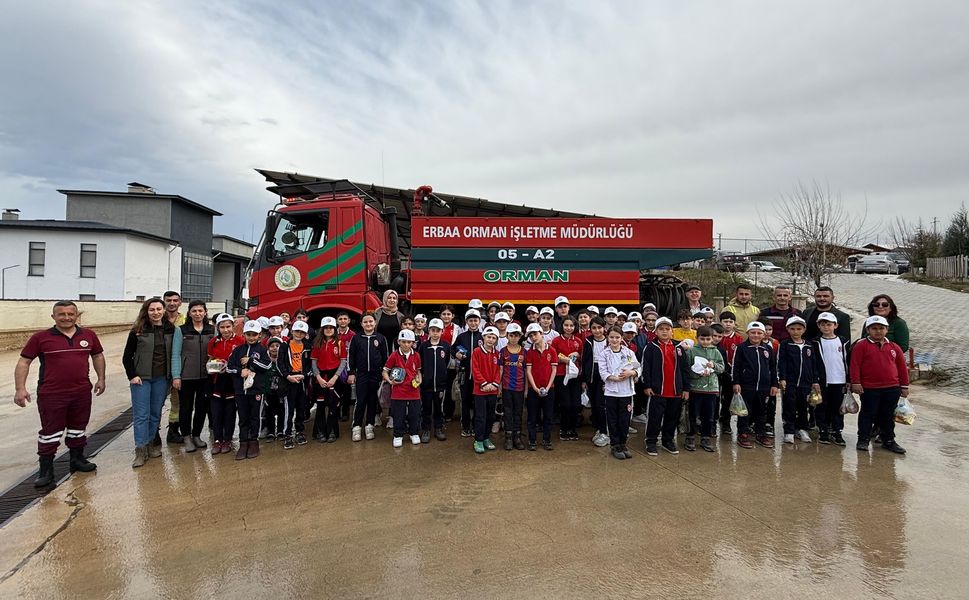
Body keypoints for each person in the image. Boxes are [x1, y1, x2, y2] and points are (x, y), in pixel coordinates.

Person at [15, 301, 105, 486]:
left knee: (78, 428)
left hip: (81, 392)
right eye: (61, 314)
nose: (66, 317)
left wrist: (101, 378)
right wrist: (20, 389)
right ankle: (46, 471)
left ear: (76, 315)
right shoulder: (41, 337)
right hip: (52, 393)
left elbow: (97, 356)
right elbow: (24, 362)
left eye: (70, 314)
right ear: (53, 317)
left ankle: (77, 459)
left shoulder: (88, 335)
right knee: (50, 432)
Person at [123, 298, 175, 468]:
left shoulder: (170, 329)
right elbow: (127, 356)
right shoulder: (138, 330)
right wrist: (132, 375)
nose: (156, 312)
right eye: (152, 309)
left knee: (155, 413)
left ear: (164, 310)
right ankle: (140, 449)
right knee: (141, 415)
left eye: (159, 309)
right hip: (141, 379)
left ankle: (151, 443)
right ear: (146, 311)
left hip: (161, 378)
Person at [850, 315, 909, 454]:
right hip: (870, 388)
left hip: (891, 388)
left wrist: (904, 386)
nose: (878, 331)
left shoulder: (894, 347)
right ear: (868, 330)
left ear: (887, 329)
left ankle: (888, 440)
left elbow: (902, 367)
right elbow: (855, 365)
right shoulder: (861, 346)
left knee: (887, 415)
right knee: (867, 414)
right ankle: (863, 439)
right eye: (874, 328)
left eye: (881, 328)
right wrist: (856, 382)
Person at [640, 317, 690, 456]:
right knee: (654, 418)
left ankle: (667, 440)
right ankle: (651, 441)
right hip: (657, 391)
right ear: (655, 331)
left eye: (667, 329)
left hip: (675, 391)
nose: (664, 331)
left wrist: (686, 388)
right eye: (661, 329)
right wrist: (647, 385)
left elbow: (685, 369)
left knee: (672, 417)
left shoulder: (679, 347)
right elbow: (646, 368)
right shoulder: (650, 347)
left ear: (672, 331)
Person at [171, 300, 214, 453]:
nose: (197, 314)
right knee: (186, 408)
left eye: (200, 311)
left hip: (205, 376)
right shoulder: (181, 331)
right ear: (189, 313)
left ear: (205, 312)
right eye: (194, 311)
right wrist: (176, 376)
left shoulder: (211, 330)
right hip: (186, 376)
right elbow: (175, 354)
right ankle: (187, 437)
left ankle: (196, 435)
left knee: (202, 407)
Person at [226, 320, 272, 460]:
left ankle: (254, 442)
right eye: (248, 334)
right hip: (241, 391)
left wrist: (251, 361)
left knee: (255, 416)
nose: (251, 337)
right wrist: (240, 371)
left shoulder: (263, 350)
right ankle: (243, 442)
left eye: (254, 334)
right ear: (244, 334)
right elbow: (229, 367)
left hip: (256, 390)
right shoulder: (238, 350)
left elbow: (267, 366)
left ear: (259, 335)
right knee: (243, 417)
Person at [731, 322, 779, 449]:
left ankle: (761, 433)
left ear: (764, 334)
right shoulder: (741, 348)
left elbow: (773, 368)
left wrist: (774, 384)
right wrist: (736, 382)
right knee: (744, 411)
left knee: (762, 411)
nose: (756, 335)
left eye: (759, 333)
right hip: (746, 386)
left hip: (764, 387)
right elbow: (736, 367)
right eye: (753, 332)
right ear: (748, 333)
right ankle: (743, 433)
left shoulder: (767, 349)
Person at [598, 326, 641, 460]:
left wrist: (631, 373)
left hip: (626, 392)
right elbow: (603, 371)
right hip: (611, 392)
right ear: (608, 338)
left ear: (621, 338)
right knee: (613, 419)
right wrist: (613, 378)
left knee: (624, 420)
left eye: (617, 337)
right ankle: (615, 444)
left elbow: (638, 367)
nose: (614, 340)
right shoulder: (604, 354)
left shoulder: (628, 353)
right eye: (612, 337)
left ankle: (623, 443)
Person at [777, 316, 820, 444]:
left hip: (806, 382)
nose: (796, 332)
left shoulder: (809, 345)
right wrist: (782, 378)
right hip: (790, 382)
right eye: (793, 329)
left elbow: (813, 364)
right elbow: (782, 362)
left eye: (799, 329)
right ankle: (789, 430)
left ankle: (802, 429)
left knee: (804, 406)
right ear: (788, 329)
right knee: (789, 406)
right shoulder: (785, 344)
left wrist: (815, 380)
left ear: (804, 329)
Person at [347, 313, 389, 442]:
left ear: (375, 323)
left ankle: (369, 426)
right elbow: (351, 356)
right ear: (361, 324)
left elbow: (385, 357)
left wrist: (384, 372)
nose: (368, 324)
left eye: (371, 321)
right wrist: (351, 373)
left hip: (376, 374)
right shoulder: (356, 338)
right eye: (365, 322)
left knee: (372, 400)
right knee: (360, 400)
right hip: (362, 374)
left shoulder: (381, 338)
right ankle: (357, 426)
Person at [812, 312, 850, 446]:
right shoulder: (815, 342)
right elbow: (813, 363)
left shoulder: (843, 341)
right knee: (822, 406)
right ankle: (823, 430)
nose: (826, 327)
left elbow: (848, 361)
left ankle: (837, 430)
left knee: (838, 407)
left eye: (829, 324)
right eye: (823, 324)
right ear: (818, 325)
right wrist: (815, 380)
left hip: (839, 380)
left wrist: (849, 379)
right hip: (823, 381)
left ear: (835, 325)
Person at [685, 325, 725, 453]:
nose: (705, 342)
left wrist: (714, 365)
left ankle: (705, 437)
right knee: (693, 414)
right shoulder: (691, 351)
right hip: (695, 388)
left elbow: (722, 367)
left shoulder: (715, 351)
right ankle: (690, 436)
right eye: (702, 339)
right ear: (697, 338)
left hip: (711, 389)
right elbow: (686, 368)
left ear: (712, 339)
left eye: (708, 339)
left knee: (709, 415)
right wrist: (697, 373)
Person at [207, 314, 242, 455]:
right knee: (216, 412)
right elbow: (210, 361)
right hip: (217, 381)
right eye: (222, 327)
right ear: (217, 327)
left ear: (233, 326)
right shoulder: (213, 342)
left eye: (228, 326)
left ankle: (227, 439)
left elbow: (243, 361)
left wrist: (230, 365)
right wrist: (214, 366)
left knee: (230, 412)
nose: (225, 330)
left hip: (233, 382)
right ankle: (217, 440)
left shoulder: (240, 341)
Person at [384, 329, 423, 448]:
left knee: (414, 414)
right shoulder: (394, 355)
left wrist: (419, 379)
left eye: (409, 342)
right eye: (404, 342)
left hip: (413, 390)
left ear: (413, 343)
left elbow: (418, 371)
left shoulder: (416, 355)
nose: (406, 344)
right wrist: (390, 381)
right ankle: (398, 435)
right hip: (398, 391)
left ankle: (414, 433)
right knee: (398, 414)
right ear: (399, 342)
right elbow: (385, 371)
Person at [311, 317, 344, 443]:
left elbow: (343, 361)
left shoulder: (339, 343)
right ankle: (320, 431)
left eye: (331, 328)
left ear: (334, 329)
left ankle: (332, 431)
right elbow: (314, 361)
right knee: (320, 406)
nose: (329, 330)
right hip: (320, 377)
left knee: (333, 406)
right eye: (326, 327)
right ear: (322, 329)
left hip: (334, 377)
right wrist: (318, 377)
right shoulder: (317, 343)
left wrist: (335, 377)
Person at [525, 323, 557, 451]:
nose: (533, 337)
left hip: (550, 388)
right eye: (531, 335)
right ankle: (532, 440)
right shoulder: (530, 352)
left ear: (541, 334)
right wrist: (535, 387)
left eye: (535, 334)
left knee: (548, 416)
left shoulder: (552, 350)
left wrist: (548, 387)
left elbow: (554, 370)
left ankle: (546, 440)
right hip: (534, 389)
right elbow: (528, 371)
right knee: (532, 416)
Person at [418, 318, 450, 442]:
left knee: (438, 408)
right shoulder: (424, 346)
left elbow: (446, 361)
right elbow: (420, 362)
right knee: (426, 408)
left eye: (438, 330)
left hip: (440, 385)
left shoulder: (446, 346)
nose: (435, 333)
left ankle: (438, 428)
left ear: (442, 331)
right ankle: (426, 429)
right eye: (433, 330)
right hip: (426, 384)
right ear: (429, 331)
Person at [281, 320, 313, 449]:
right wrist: (287, 376)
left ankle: (300, 431)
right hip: (289, 379)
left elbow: (310, 364)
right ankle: (287, 434)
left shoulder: (308, 346)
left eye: (302, 332)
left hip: (302, 380)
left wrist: (304, 375)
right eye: (297, 331)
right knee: (289, 408)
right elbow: (280, 364)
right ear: (292, 331)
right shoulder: (284, 346)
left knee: (301, 406)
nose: (299, 334)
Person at [470, 326, 501, 454]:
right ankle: (478, 439)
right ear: (483, 338)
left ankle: (486, 437)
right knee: (480, 416)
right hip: (480, 390)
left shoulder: (497, 353)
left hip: (493, 390)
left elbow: (498, 370)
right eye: (489, 337)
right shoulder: (476, 352)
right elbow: (475, 369)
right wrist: (483, 383)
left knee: (490, 415)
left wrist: (494, 384)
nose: (491, 340)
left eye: (494, 338)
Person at [453, 309, 483, 438]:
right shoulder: (461, 336)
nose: (473, 323)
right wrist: (457, 354)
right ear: (466, 322)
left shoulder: (483, 336)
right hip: (465, 374)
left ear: (479, 321)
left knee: (477, 401)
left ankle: (476, 426)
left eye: (475, 320)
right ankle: (466, 426)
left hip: (479, 375)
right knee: (465, 401)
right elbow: (453, 348)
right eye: (470, 320)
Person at [551, 316, 582, 441]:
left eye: (571, 325)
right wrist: (563, 359)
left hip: (575, 376)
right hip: (561, 375)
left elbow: (582, 357)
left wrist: (577, 354)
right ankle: (564, 429)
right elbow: (553, 356)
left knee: (575, 404)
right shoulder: (556, 340)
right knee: (565, 404)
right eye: (566, 325)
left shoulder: (578, 341)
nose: (569, 328)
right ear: (562, 326)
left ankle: (572, 429)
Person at [580, 316, 610, 447]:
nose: (597, 331)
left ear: (604, 328)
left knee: (601, 404)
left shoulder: (609, 341)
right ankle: (599, 429)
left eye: (599, 327)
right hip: (592, 375)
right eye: (594, 328)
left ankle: (604, 431)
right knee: (594, 404)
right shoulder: (588, 341)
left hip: (605, 377)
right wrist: (584, 380)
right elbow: (584, 360)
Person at [162, 290, 185, 443]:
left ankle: (173, 430)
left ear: (180, 302)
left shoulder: (186, 320)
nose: (171, 303)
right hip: (160, 367)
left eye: (175, 300)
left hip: (179, 367)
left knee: (177, 401)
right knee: (157, 402)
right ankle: (153, 433)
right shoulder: (156, 318)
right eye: (168, 300)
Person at [500, 323, 527, 450]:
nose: (514, 338)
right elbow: (500, 370)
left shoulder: (524, 352)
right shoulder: (502, 351)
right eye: (511, 335)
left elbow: (527, 372)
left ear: (520, 336)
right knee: (508, 412)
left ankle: (517, 436)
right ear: (507, 335)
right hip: (506, 387)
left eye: (517, 335)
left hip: (519, 388)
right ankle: (508, 437)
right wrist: (499, 387)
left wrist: (526, 388)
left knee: (518, 412)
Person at [717, 312, 743, 434]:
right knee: (716, 396)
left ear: (734, 323)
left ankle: (726, 420)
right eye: (725, 321)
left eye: (730, 322)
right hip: (717, 371)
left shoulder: (738, 338)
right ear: (720, 322)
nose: (728, 324)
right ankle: (712, 419)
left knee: (728, 397)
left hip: (730, 371)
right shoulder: (717, 336)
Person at [438, 305, 463, 422]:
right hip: (438, 362)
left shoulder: (457, 328)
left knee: (449, 388)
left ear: (453, 316)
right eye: (444, 314)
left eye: (449, 314)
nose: (446, 316)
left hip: (452, 363)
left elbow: (461, 344)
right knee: (439, 388)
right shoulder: (435, 326)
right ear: (440, 315)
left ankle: (448, 413)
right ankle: (438, 412)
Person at [262, 337, 290, 440]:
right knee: (269, 411)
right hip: (268, 391)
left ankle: (280, 431)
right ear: (268, 348)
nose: (275, 348)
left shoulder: (284, 360)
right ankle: (270, 431)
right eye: (272, 346)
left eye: (277, 346)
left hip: (281, 391)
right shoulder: (265, 360)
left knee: (281, 411)